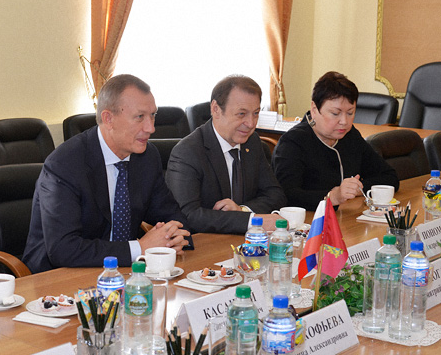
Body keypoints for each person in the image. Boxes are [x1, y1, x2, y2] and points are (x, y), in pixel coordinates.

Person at [23, 74, 191, 273]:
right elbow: (63, 249)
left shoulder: (146, 157)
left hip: (126, 272)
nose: (151, 128)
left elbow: (172, 216)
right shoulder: (64, 165)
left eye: (153, 115)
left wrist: (173, 237)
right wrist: (140, 248)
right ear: (108, 119)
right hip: (59, 276)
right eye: (140, 117)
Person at [166, 75, 286, 234]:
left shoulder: (252, 142)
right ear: (216, 109)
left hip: (244, 241)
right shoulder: (188, 152)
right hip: (206, 242)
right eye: (241, 114)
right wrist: (250, 221)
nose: (251, 123)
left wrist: (242, 210)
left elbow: (275, 194)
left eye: (256, 113)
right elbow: (188, 215)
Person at [272, 71, 399, 211]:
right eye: (335, 113)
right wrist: (332, 197)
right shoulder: (293, 142)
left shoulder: (350, 136)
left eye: (350, 113)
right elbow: (286, 195)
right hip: (309, 221)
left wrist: (356, 188)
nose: (344, 121)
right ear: (314, 109)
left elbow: (390, 177)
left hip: (346, 217)